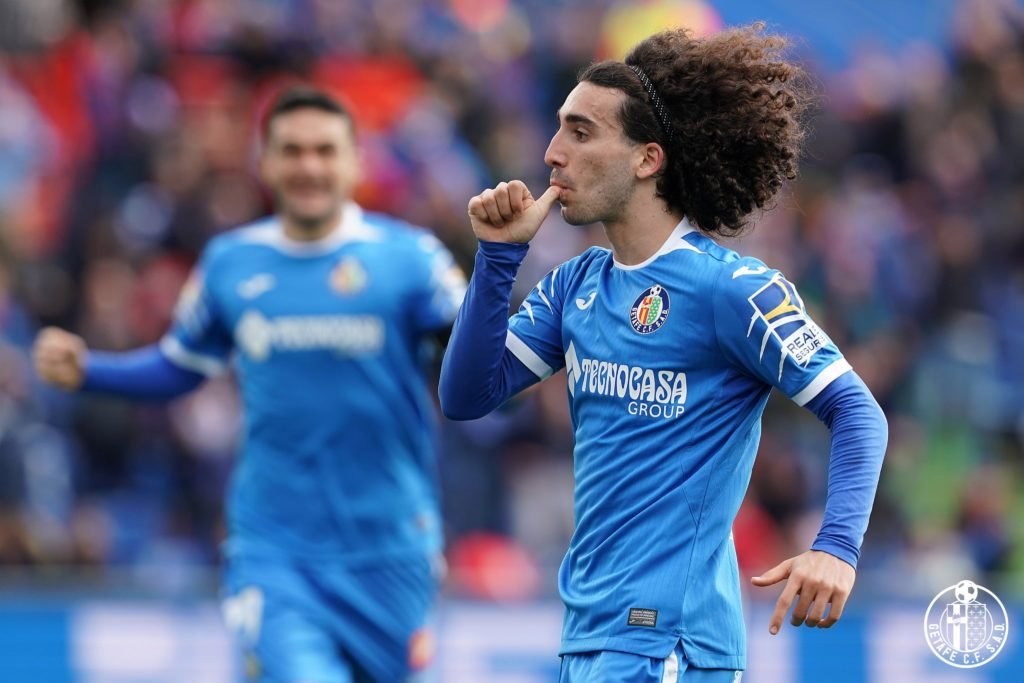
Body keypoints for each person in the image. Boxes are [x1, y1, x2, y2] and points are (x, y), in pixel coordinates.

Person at [439, 25, 888, 682]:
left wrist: (836, 546)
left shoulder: (731, 290)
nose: (552, 153)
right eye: (559, 128)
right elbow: (465, 395)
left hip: (670, 646)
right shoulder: (575, 285)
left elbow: (856, 407)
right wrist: (499, 257)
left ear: (647, 160)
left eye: (581, 132)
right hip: (587, 637)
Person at [33, 86, 466, 683]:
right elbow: (182, 366)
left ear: (354, 162)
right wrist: (91, 370)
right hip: (275, 547)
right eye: (291, 150)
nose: (308, 166)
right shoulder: (230, 263)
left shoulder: (410, 261)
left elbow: (479, 362)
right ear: (264, 163)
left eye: (324, 150)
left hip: (390, 547)